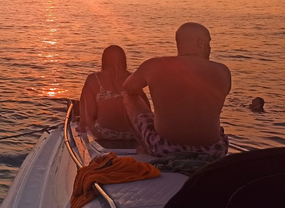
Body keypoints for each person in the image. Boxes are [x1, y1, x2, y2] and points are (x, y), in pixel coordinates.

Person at [123, 23, 231, 158]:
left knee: (128, 97)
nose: (210, 48)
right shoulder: (223, 71)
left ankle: (144, 147)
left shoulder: (154, 65)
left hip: (165, 148)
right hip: (213, 151)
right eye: (209, 43)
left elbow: (127, 87)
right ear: (201, 42)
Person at [77, 45, 145, 140]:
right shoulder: (132, 78)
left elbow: (91, 114)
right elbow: (145, 108)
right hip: (133, 134)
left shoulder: (94, 79)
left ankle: (81, 124)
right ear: (124, 60)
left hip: (105, 133)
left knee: (86, 98)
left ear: (104, 60)